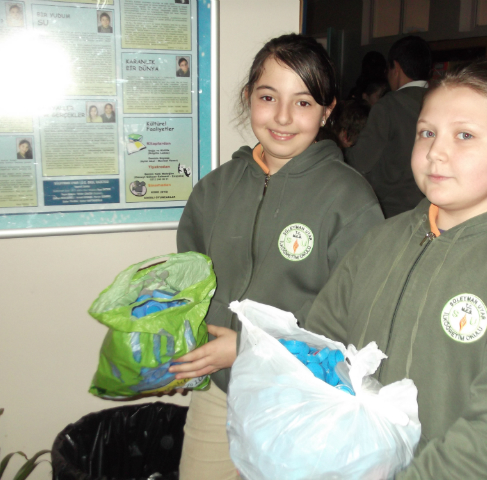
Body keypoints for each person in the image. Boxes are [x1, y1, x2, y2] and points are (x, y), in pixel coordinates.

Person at [305, 60, 487, 479]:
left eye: (465, 135)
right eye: (427, 132)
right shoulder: (381, 240)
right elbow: (319, 344)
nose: (436, 150)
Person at [171, 33, 384, 480]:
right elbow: (189, 287)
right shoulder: (214, 189)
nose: (283, 117)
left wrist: (249, 349)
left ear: (328, 111)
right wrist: (183, 343)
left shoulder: (350, 199)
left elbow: (356, 325)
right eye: (268, 97)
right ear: (249, 97)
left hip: (302, 398)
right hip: (219, 394)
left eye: (304, 103)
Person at [346, 35, 432, 218]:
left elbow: (361, 162)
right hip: (431, 209)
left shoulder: (389, 106)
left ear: (396, 68)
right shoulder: (442, 100)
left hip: (392, 212)